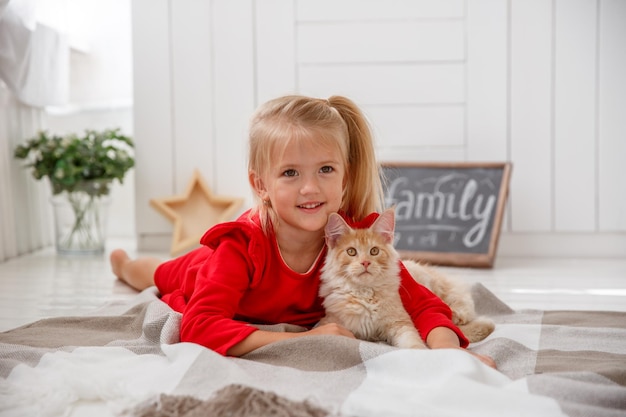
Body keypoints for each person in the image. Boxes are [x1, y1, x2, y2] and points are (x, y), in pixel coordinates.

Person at [110, 94, 496, 368]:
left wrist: (449, 354)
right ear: (260, 184)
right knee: (161, 274)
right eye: (290, 173)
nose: (310, 188)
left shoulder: (350, 241)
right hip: (203, 270)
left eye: (325, 170)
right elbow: (199, 326)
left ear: (345, 179)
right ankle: (126, 265)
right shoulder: (239, 247)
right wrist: (306, 340)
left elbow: (421, 302)